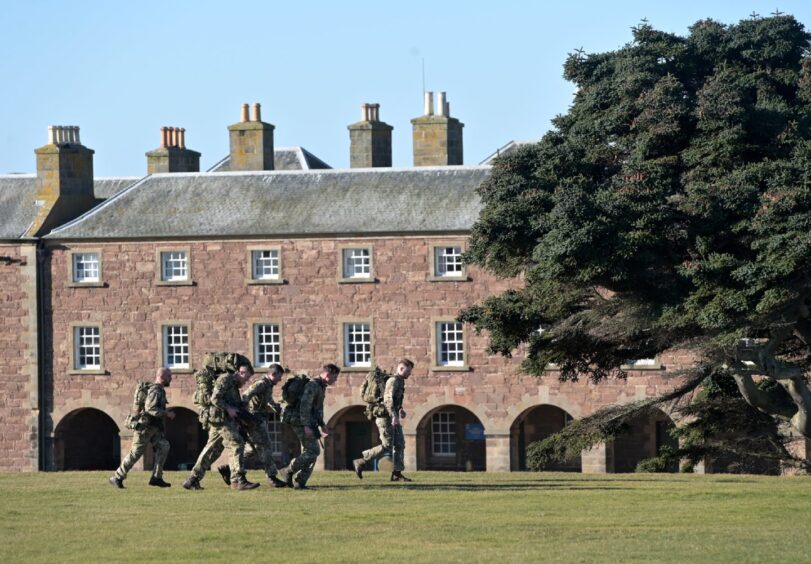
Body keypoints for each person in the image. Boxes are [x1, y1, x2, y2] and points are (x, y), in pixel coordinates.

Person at [183, 361, 259, 491]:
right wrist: (229, 408)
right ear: (241, 372)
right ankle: (238, 480)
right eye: (246, 378)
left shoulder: (233, 385)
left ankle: (192, 480)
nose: (246, 381)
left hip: (221, 419)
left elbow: (231, 401)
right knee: (237, 443)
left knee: (213, 450)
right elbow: (215, 399)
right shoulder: (226, 379)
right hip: (220, 419)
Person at [217, 363, 287, 488]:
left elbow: (266, 400)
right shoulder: (261, 384)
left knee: (251, 449)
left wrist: (274, 406)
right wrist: (244, 415)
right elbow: (246, 395)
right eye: (279, 377)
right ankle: (272, 477)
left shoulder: (268, 385)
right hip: (255, 420)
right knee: (265, 446)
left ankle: (231, 468)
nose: (280, 380)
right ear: (273, 374)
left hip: (258, 419)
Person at [109, 367, 175, 488]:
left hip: (154, 428)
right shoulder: (155, 390)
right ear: (162, 376)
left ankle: (156, 477)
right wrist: (166, 413)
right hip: (145, 427)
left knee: (164, 446)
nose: (171, 378)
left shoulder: (159, 390)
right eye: (169, 376)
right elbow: (150, 409)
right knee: (135, 454)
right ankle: (117, 477)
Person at [279, 363, 341, 490]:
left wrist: (322, 425)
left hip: (307, 420)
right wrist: (306, 426)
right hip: (299, 420)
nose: (336, 380)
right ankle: (288, 470)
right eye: (335, 377)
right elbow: (305, 407)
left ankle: (300, 482)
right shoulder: (313, 385)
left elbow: (317, 408)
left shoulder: (321, 386)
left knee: (310, 452)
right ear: (328, 374)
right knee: (313, 450)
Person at [353, 359, 414, 482]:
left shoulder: (400, 381)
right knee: (387, 445)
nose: (410, 374)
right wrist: (394, 416)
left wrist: (400, 409)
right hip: (385, 417)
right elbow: (387, 399)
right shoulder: (393, 381)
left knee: (399, 444)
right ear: (401, 368)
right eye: (408, 371)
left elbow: (396, 399)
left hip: (392, 416)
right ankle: (362, 460)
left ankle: (397, 474)